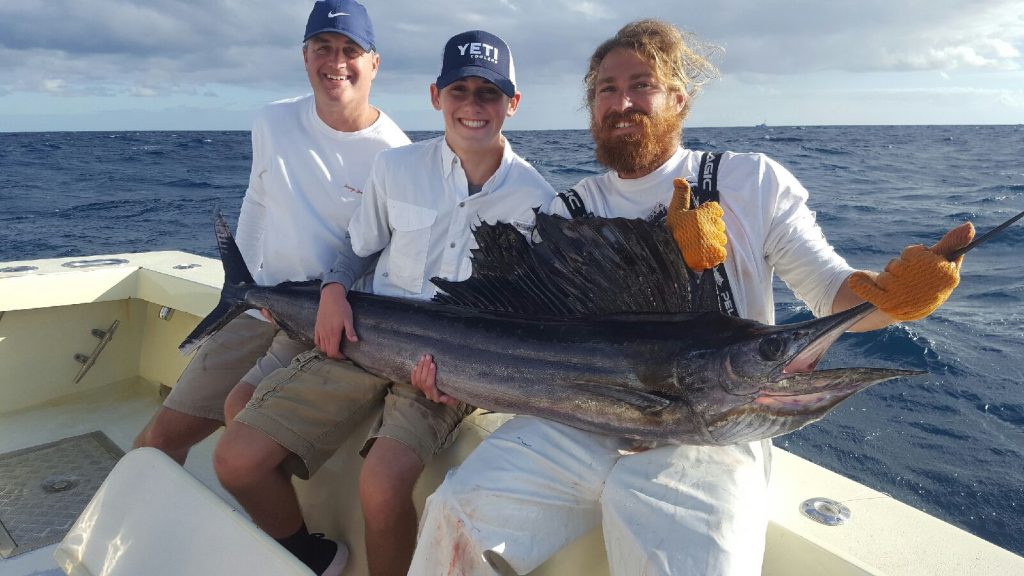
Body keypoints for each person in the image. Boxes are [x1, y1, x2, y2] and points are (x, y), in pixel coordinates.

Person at [407, 19, 973, 576]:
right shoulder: (567, 210)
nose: (622, 101)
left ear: (679, 98)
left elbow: (832, 293)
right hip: (580, 417)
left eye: (641, 85)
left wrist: (895, 297)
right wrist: (455, 375)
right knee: (455, 513)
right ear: (592, 106)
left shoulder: (751, 183)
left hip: (715, 434)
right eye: (607, 89)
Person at [212, 29, 555, 576]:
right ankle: (315, 557)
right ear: (435, 95)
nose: (472, 105)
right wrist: (331, 291)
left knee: (381, 486)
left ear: (512, 103)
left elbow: (524, 323)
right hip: (364, 340)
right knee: (235, 460)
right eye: (459, 90)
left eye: (488, 93)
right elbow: (356, 248)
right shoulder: (396, 168)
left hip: (447, 372)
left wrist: (468, 380)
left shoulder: (538, 200)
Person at [134, 0, 408, 573]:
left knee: (245, 431)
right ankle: (143, 551)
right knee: (155, 445)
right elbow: (257, 201)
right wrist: (243, 292)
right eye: (323, 48)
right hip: (257, 308)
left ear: (375, 63)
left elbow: (386, 264)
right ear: (305, 56)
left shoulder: (397, 157)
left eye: (350, 51)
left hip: (322, 328)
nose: (336, 63)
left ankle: (301, 553)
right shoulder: (272, 121)